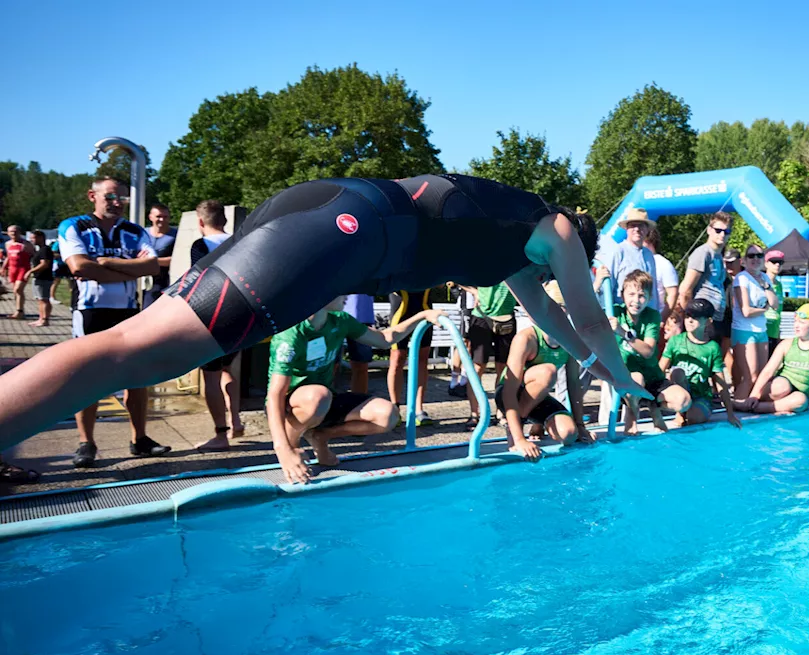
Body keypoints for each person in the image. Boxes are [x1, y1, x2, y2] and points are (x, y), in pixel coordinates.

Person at [0, 173, 650, 453]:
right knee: (140, 352)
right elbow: (587, 319)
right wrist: (625, 383)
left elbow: (559, 327)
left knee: (143, 350)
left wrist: (600, 369)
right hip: (342, 232)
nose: (549, 281)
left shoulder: (512, 242)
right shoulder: (558, 230)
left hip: (326, 217)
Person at [55, 178, 170, 468]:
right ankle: (86, 443)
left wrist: (105, 264)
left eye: (121, 198)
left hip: (128, 313)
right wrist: (128, 271)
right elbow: (79, 266)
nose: (117, 202)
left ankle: (140, 439)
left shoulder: (133, 231)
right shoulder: (74, 226)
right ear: (92, 196)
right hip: (90, 312)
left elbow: (152, 267)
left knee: (137, 377)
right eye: (110, 196)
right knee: (88, 379)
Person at [268, 296, 441, 483]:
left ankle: (320, 436)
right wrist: (283, 449)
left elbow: (384, 339)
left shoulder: (341, 320)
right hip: (291, 406)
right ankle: (292, 449)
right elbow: (275, 395)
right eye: (340, 292)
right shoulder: (291, 334)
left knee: (388, 415)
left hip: (324, 401)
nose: (347, 296)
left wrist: (422, 315)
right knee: (318, 396)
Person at [498, 282, 595, 461]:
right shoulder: (526, 339)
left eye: (562, 310)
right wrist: (519, 439)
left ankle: (533, 422)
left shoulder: (569, 340)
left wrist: (581, 426)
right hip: (509, 395)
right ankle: (512, 426)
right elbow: (509, 390)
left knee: (569, 433)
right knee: (548, 371)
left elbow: (573, 384)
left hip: (538, 397)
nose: (557, 315)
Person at [188, 201, 245, 451]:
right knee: (228, 369)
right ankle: (236, 421)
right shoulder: (239, 241)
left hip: (213, 315)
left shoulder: (200, 246)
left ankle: (220, 435)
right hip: (241, 314)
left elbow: (200, 279)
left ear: (200, 222)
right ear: (225, 220)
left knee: (210, 375)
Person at [611, 270, 684, 434]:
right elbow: (589, 306)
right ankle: (632, 419)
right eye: (631, 294)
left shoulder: (652, 316)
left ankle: (654, 406)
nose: (636, 301)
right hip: (628, 378)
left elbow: (648, 351)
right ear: (622, 295)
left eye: (641, 296)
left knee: (682, 401)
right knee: (637, 378)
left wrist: (623, 333)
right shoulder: (615, 312)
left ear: (649, 298)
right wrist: (598, 282)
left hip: (653, 378)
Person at [736, 303, 809, 414]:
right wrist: (754, 396)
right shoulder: (787, 344)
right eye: (795, 321)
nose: (796, 325)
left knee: (801, 401)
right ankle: (751, 403)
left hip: (798, 395)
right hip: (779, 387)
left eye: (801, 322)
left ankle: (756, 408)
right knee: (782, 387)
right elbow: (768, 371)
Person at [660, 298, 740, 429]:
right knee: (678, 372)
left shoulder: (712, 348)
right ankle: (681, 412)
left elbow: (720, 383)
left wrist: (730, 414)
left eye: (696, 317)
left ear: (708, 321)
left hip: (701, 398)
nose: (690, 320)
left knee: (694, 418)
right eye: (688, 316)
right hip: (679, 395)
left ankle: (688, 412)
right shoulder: (675, 341)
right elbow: (660, 369)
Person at [459, 282, 518, 428]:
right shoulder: (482, 259)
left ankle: (501, 412)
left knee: (504, 369)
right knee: (478, 367)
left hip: (507, 318)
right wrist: (474, 291)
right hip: (481, 316)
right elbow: (456, 276)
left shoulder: (516, 261)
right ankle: (474, 414)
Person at [730, 243, 777, 399]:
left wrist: (765, 286)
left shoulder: (764, 278)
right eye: (751, 256)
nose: (755, 259)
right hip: (744, 331)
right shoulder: (741, 278)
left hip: (761, 331)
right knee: (751, 377)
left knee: (762, 377)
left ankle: (751, 405)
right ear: (744, 260)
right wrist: (764, 309)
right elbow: (746, 311)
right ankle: (735, 408)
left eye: (759, 255)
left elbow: (775, 304)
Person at [677, 212, 731, 342]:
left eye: (726, 231)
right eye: (718, 230)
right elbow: (685, 289)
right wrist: (692, 317)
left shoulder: (717, 255)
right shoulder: (703, 253)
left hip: (715, 319)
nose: (722, 234)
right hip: (702, 320)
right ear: (709, 230)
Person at [387, 289, 435, 426]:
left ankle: (418, 409)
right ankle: (395, 409)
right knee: (397, 358)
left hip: (424, 304)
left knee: (422, 358)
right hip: (401, 307)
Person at [594, 207, 657, 310]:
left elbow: (653, 290)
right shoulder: (618, 251)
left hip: (645, 315)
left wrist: (655, 314)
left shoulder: (649, 255)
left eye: (641, 225)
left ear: (647, 230)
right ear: (627, 229)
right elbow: (607, 286)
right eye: (633, 225)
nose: (637, 229)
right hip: (621, 313)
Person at [142, 203, 177, 309]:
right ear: (151, 217)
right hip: (142, 281)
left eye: (165, 217)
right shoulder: (142, 233)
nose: (162, 219)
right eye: (158, 216)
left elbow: (177, 259)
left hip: (164, 282)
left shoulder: (176, 235)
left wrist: (152, 261)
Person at [643, 225, 680, 324]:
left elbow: (673, 293)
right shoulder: (634, 259)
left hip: (654, 317)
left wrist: (661, 318)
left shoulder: (663, 263)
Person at [342, 294, 376, 393]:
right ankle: (328, 405)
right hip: (330, 316)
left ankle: (358, 403)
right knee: (329, 366)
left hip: (362, 315)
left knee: (361, 366)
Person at [4, 225, 34, 319]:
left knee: (18, 289)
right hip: (12, 269)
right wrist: (3, 268)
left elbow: (34, 256)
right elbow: (8, 257)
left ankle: (19, 311)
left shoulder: (26, 244)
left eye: (15, 231)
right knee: (15, 291)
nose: (13, 233)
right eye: (11, 232)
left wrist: (33, 269)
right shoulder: (8, 244)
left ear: (20, 232)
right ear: (8, 233)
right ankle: (19, 310)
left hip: (23, 269)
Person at [27, 231, 55, 327]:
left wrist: (30, 271)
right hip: (38, 277)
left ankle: (45, 319)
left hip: (44, 278)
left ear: (41, 237)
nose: (31, 240)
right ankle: (41, 318)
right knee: (40, 299)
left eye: (33, 238)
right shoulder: (39, 250)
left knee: (44, 299)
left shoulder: (45, 250)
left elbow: (44, 264)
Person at [763, 250, 785, 355]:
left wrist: (778, 333)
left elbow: (778, 311)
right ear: (766, 263)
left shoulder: (779, 285)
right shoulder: (761, 282)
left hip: (774, 332)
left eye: (780, 262)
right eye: (774, 261)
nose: (777, 264)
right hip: (763, 331)